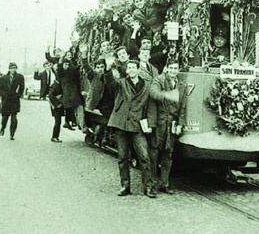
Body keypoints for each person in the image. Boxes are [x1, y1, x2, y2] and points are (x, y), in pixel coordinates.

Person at [104, 56, 155, 198]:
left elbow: (150, 107)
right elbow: (110, 83)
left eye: (134, 68)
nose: (131, 70)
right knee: (122, 157)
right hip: (122, 124)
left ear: (139, 70)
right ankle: (125, 186)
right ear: (126, 71)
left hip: (138, 125)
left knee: (144, 157)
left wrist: (150, 124)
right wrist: (108, 69)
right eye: (129, 68)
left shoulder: (147, 86)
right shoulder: (120, 84)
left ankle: (148, 187)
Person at [147, 59, 187, 194]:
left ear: (178, 70)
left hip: (172, 124)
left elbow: (183, 108)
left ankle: (164, 183)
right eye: (171, 68)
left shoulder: (182, 86)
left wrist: (181, 124)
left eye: (176, 68)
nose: (173, 71)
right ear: (166, 68)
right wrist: (168, 95)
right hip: (159, 123)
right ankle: (151, 185)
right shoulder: (158, 80)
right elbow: (153, 93)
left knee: (168, 154)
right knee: (153, 154)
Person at [80, 44, 114, 146]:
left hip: (109, 101)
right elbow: (86, 66)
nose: (100, 69)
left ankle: (108, 134)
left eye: (102, 67)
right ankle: (106, 134)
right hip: (98, 103)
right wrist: (84, 54)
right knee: (109, 114)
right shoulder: (93, 75)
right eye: (98, 67)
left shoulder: (110, 76)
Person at [0, 62, 25, 140]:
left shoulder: (20, 77)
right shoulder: (4, 78)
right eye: (12, 68)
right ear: (9, 69)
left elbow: (22, 88)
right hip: (6, 101)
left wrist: (18, 95)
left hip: (14, 100)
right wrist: (4, 94)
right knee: (5, 118)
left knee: (14, 118)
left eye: (14, 68)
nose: (13, 70)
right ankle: (3, 128)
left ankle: (12, 134)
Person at [48, 77, 64, 142]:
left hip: (56, 106)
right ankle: (54, 137)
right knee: (58, 121)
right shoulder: (55, 85)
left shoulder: (56, 84)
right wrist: (57, 104)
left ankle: (55, 137)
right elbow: (50, 96)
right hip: (56, 107)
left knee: (58, 121)